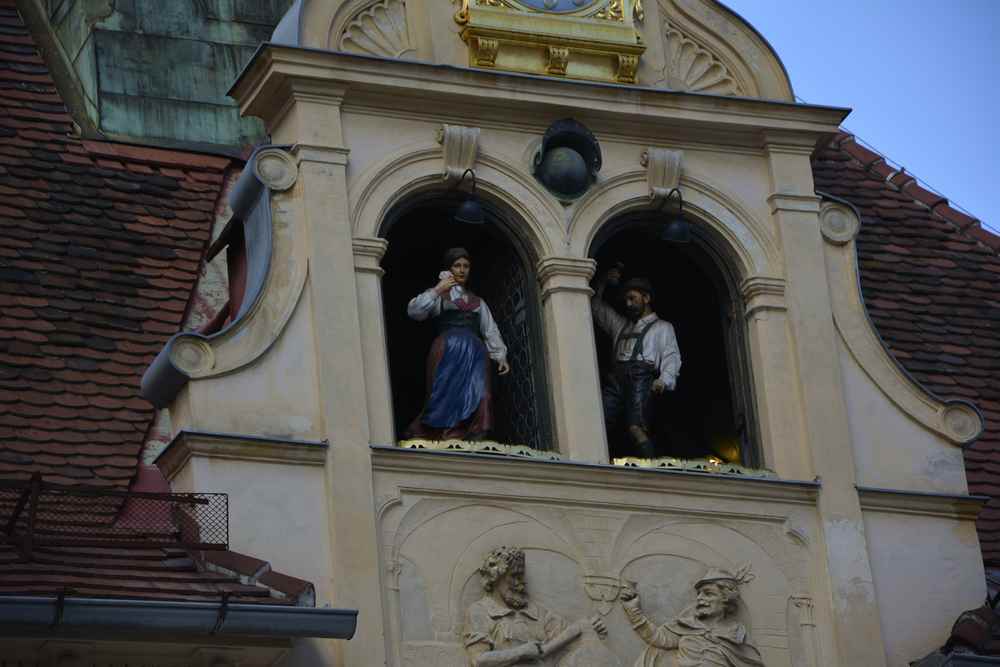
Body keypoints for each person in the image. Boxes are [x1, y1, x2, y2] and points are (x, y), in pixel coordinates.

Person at [406, 247, 510, 441]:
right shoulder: (440, 297)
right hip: (448, 350)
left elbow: (490, 329)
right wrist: (438, 289)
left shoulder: (478, 302)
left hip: (475, 353)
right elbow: (415, 311)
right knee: (445, 393)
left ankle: (474, 432)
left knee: (482, 394)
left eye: (466, 266)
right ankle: (444, 434)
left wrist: (500, 355)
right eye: (457, 266)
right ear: (449, 269)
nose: (462, 270)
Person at [591, 265, 681, 458]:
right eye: (626, 300)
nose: (628, 304)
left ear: (646, 298)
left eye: (633, 298)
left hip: (641, 378)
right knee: (600, 420)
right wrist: (603, 282)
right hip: (616, 379)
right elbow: (595, 306)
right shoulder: (620, 325)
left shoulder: (662, 327)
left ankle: (652, 466)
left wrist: (664, 380)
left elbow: (671, 356)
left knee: (636, 426)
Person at [464, 546, 608, 666]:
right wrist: (521, 652)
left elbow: (567, 635)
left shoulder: (537, 613)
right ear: (496, 577)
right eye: (515, 576)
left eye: (522, 577)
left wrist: (591, 629)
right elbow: (479, 659)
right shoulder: (481, 611)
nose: (521, 583)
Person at [620, 567, 764, 667]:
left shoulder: (736, 633)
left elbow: (751, 661)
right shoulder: (688, 625)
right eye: (699, 594)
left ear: (726, 597)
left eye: (708, 593)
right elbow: (658, 638)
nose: (700, 598)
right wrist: (633, 610)